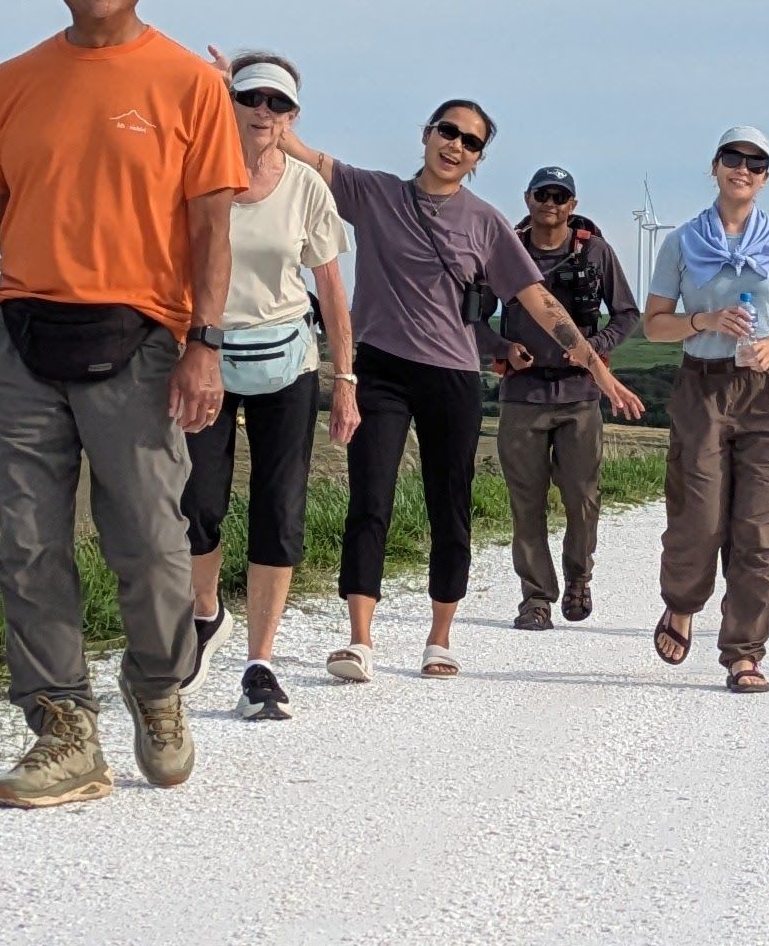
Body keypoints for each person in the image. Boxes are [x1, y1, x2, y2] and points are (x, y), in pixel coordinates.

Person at [0, 0, 243, 809]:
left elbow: (213, 227)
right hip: (22, 336)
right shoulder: (9, 83)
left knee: (148, 540)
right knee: (28, 544)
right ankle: (62, 726)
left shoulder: (187, 83)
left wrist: (203, 344)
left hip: (140, 340)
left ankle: (157, 687)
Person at [311, 101, 642, 681]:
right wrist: (233, 99)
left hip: (453, 374)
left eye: (470, 142)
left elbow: (539, 302)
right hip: (381, 367)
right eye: (448, 132)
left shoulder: (486, 223)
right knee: (370, 499)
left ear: (479, 159)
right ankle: (359, 639)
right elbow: (302, 155)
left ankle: (439, 638)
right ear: (427, 134)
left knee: (449, 504)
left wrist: (598, 367)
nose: (455, 146)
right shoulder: (376, 193)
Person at [179, 52, 359, 721]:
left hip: (287, 360)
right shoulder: (196, 175)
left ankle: (260, 661)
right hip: (209, 356)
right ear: (230, 103)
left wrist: (345, 378)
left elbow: (331, 291)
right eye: (251, 98)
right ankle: (206, 609)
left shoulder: (308, 189)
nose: (263, 112)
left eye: (277, 104)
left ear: (292, 117)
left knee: (278, 512)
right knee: (197, 502)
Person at [640, 126, 769, 694]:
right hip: (704, 384)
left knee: (760, 524)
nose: (743, 169)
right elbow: (653, 325)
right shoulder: (681, 242)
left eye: (756, 162)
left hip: (766, 389)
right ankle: (682, 604)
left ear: (766, 177)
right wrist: (705, 321)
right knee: (698, 515)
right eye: (733, 158)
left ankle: (744, 651)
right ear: (715, 166)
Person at [487, 164, 639, 629]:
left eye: (559, 197)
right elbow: (470, 315)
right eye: (542, 195)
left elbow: (627, 313)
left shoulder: (594, 252)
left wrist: (596, 350)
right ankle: (536, 598)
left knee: (581, 496)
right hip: (522, 392)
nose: (550, 204)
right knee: (526, 501)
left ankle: (578, 577)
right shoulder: (505, 251)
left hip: (579, 395)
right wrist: (500, 348)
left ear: (572, 205)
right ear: (527, 199)